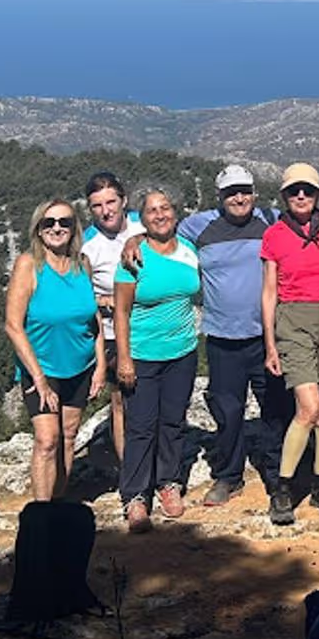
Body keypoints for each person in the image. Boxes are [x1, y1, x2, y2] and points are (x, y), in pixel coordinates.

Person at [126, 164, 300, 511]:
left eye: (245, 190)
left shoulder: (273, 220)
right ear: (219, 196)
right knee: (228, 411)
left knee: (276, 410)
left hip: (267, 337)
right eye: (231, 192)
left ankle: (282, 476)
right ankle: (229, 476)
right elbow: (159, 228)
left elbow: (309, 215)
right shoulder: (198, 226)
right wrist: (133, 239)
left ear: (254, 192)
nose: (240, 198)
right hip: (222, 338)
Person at [262, 163, 319, 524]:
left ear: (317, 196)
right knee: (308, 408)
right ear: (284, 195)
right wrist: (270, 344)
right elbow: (268, 292)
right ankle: (282, 489)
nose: (301, 196)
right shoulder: (274, 235)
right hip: (294, 319)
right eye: (295, 190)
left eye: (308, 191)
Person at [113, 186, 202, 533]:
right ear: (142, 218)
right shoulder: (133, 258)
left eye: (165, 208)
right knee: (140, 427)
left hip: (182, 352)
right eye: (151, 210)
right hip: (143, 355)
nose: (160, 214)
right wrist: (124, 359)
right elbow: (121, 312)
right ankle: (135, 496)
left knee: (173, 422)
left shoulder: (189, 251)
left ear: (175, 213)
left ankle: (168, 483)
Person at [3, 198, 103, 501]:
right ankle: (41, 514)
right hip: (42, 369)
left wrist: (99, 366)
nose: (57, 228)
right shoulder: (28, 265)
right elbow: (13, 325)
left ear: (74, 229)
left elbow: (93, 318)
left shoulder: (81, 264)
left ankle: (58, 507)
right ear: (39, 229)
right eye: (49, 223)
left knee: (69, 437)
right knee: (47, 441)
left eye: (65, 222)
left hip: (81, 366)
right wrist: (39, 379)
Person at [80, 171, 143, 464]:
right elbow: (80, 298)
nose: (106, 211)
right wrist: (105, 301)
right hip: (111, 334)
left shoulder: (143, 226)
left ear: (124, 201)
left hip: (149, 327)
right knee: (121, 402)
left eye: (111, 202)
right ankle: (129, 471)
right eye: (97, 206)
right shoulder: (87, 247)